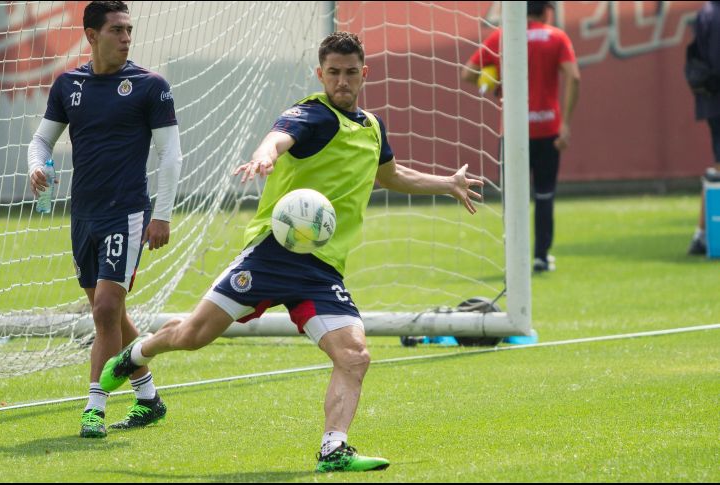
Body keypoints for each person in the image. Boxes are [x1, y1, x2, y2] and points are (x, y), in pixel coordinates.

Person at [99, 31, 483, 472]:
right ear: (320, 73)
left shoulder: (373, 127)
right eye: (333, 73)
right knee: (193, 336)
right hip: (272, 255)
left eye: (350, 72)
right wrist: (265, 156)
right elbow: (278, 137)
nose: (342, 81)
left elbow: (391, 176)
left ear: (365, 73)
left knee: (354, 355)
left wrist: (447, 184)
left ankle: (334, 450)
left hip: (321, 269)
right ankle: (137, 354)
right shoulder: (312, 114)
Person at [27, 1, 182, 438]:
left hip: (127, 213)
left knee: (107, 309)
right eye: (117, 30)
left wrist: (162, 215)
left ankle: (94, 407)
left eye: (129, 29)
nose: (127, 38)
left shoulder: (151, 86)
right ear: (92, 35)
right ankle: (148, 398)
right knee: (112, 317)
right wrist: (37, 166)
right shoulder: (68, 85)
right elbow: (41, 141)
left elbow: (170, 154)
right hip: (84, 214)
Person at [462, 0, 581, 272]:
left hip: (513, 131)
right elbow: (574, 78)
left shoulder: (502, 37)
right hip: (548, 129)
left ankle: (514, 257)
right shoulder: (557, 37)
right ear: (546, 10)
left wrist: (495, 81)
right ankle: (541, 256)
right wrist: (566, 125)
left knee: (513, 198)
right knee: (544, 194)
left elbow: (467, 73)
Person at [687, 1, 720, 256]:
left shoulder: (706, 13)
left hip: (711, 100)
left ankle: (701, 234)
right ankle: (702, 235)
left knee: (718, 167)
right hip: (717, 98)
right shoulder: (713, 14)